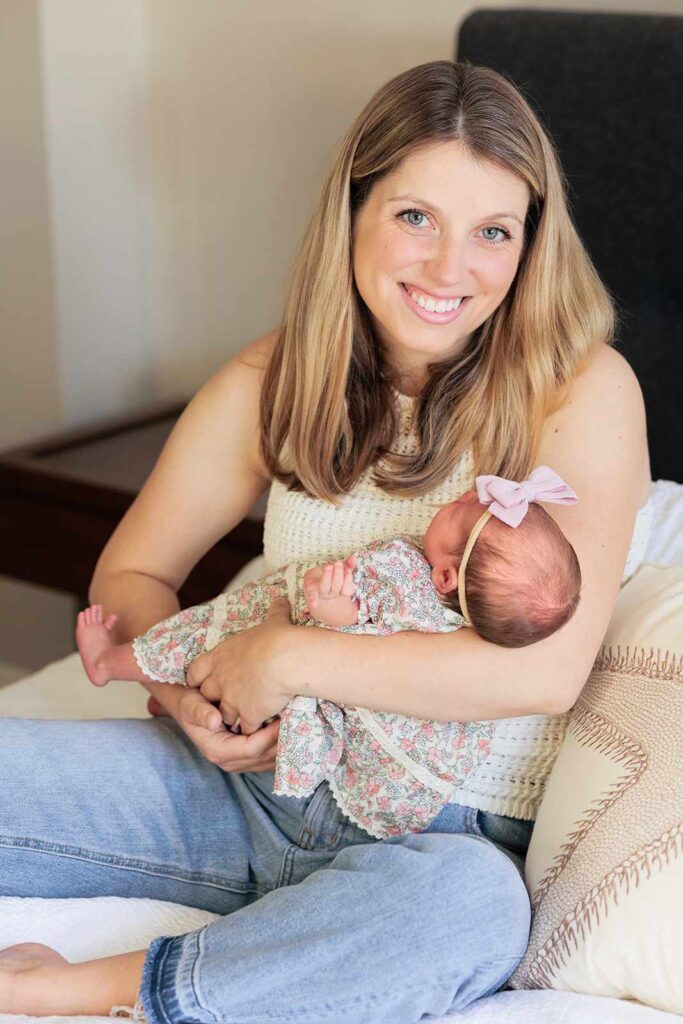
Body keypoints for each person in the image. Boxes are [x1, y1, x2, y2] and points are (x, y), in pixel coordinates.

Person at [0, 59, 651, 1022]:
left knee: (469, 912)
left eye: (492, 233)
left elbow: (543, 672)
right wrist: (191, 699)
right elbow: (133, 572)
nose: (448, 269)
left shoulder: (580, 389)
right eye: (415, 217)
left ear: (529, 246)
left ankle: (93, 988)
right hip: (241, 793)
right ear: (353, 210)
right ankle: (274, 944)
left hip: (433, 834)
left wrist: (288, 655)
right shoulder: (271, 379)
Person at [75, 468, 581, 839]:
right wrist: (187, 706)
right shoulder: (445, 609)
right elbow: (135, 569)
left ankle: (108, 662)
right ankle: (176, 696)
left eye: (458, 510)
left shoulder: (407, 577)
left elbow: (359, 626)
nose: (463, 495)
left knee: (193, 636)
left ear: (447, 577)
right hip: (264, 744)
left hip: (431, 822)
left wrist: (301, 632)